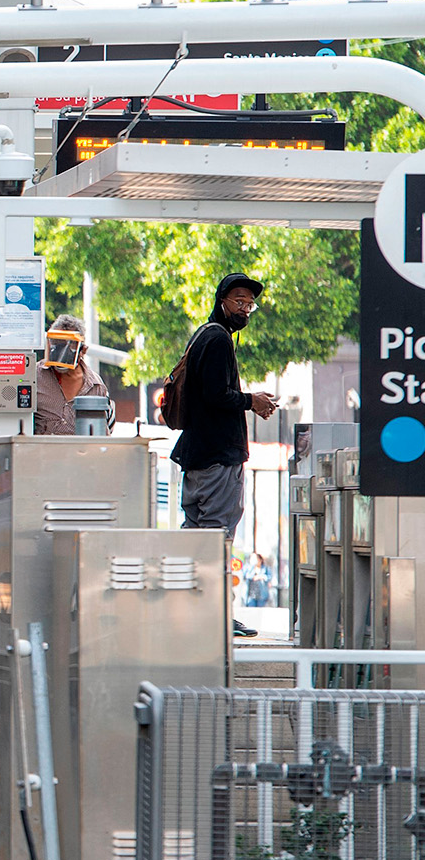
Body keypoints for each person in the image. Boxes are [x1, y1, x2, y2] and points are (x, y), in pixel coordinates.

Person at [170, 272, 277, 638]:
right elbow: (216, 395)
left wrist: (249, 400)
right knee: (216, 537)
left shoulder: (206, 335)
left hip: (199, 457)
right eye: (239, 301)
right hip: (217, 458)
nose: (246, 309)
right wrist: (252, 401)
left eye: (250, 303)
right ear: (222, 301)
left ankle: (188, 612)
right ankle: (214, 616)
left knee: (195, 536)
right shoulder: (216, 339)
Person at [34, 314, 116, 436]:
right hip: (42, 453)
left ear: (83, 350)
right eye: (57, 345)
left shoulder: (96, 386)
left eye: (68, 347)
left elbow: (106, 429)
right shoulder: (33, 377)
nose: (61, 354)